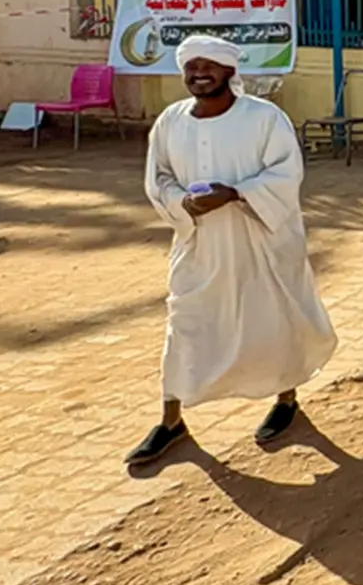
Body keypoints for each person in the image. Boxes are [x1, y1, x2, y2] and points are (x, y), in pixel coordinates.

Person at [127, 36, 338, 467]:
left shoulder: (264, 118)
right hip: (200, 243)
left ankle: (286, 399)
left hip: (263, 241)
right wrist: (181, 203)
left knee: (275, 319)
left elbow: (286, 172)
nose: (198, 73)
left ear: (228, 71)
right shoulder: (171, 122)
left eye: (208, 65)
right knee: (185, 321)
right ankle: (171, 421)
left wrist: (236, 193)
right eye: (190, 66)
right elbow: (159, 178)